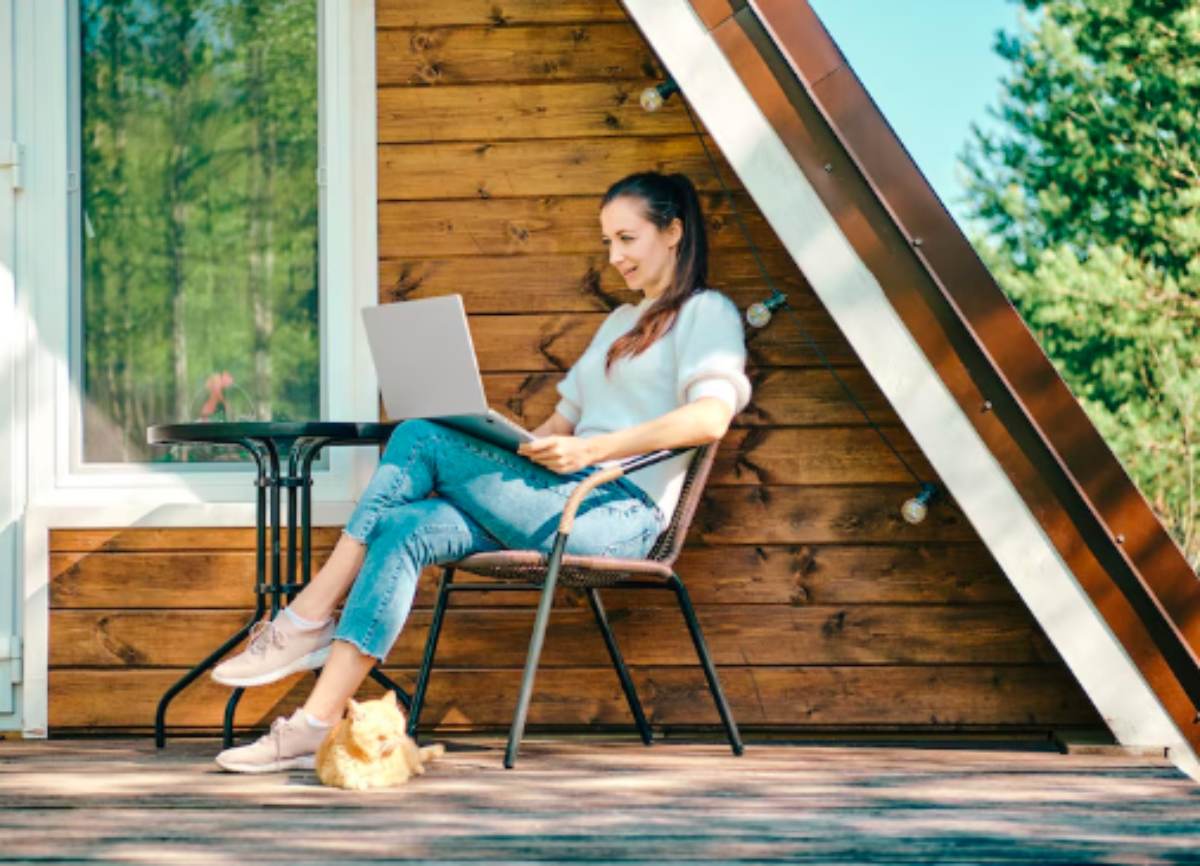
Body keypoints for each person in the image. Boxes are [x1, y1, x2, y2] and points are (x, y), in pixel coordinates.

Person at [212, 171, 752, 773]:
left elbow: (710, 418)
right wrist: (501, 446)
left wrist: (592, 454)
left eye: (626, 238)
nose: (614, 256)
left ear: (673, 232)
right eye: (606, 243)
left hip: (614, 513)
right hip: (556, 496)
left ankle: (305, 617)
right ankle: (313, 726)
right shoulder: (619, 324)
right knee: (405, 527)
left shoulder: (707, 312)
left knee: (418, 435)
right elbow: (557, 428)